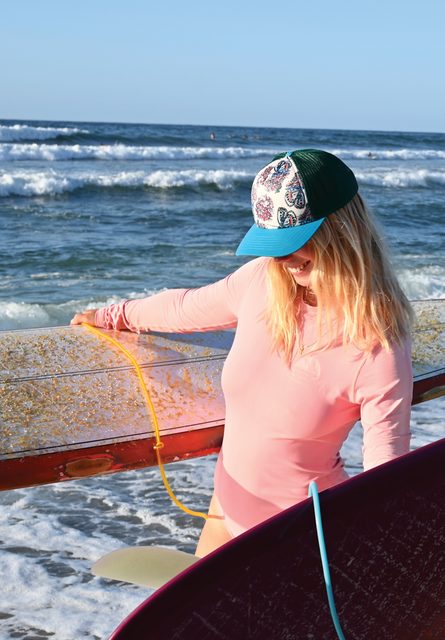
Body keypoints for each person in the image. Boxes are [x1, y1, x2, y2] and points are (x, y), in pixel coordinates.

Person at [72, 149, 415, 557]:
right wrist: (109, 315)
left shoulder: (377, 344)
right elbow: (182, 307)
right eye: (272, 243)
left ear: (342, 232)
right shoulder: (262, 282)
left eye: (293, 242)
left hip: (300, 538)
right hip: (225, 511)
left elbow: (386, 471)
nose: (279, 257)